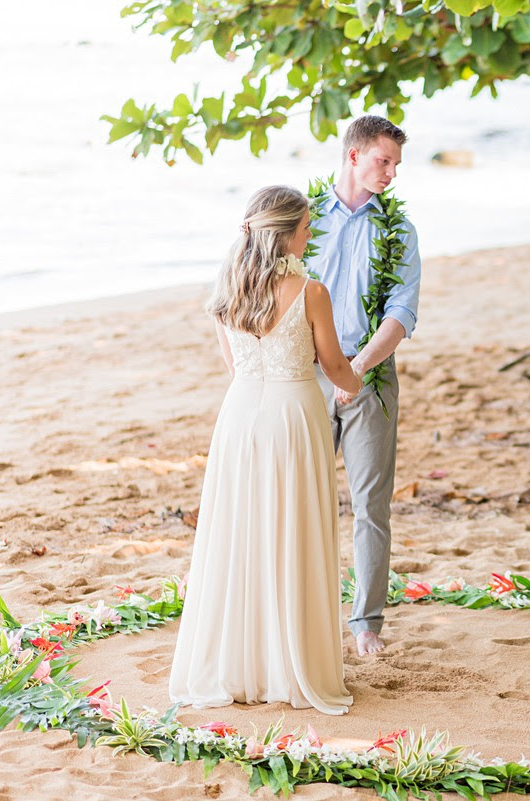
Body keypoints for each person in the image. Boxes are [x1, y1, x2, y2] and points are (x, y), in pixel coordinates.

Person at [170, 185, 362, 715]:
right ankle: (289, 666)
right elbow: (335, 368)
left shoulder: (226, 290)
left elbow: (234, 367)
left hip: (239, 419)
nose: (310, 235)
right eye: (305, 228)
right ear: (286, 234)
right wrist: (358, 378)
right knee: (292, 531)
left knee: (242, 534)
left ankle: (242, 667)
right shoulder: (311, 291)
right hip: (292, 417)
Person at [306, 115, 422, 656]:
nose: (392, 173)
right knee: (300, 500)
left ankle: (366, 624)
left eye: (396, 164)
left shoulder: (399, 232)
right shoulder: (303, 220)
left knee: (371, 506)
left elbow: (401, 314)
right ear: (353, 155)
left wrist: (357, 372)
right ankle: (300, 610)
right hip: (303, 377)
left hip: (370, 379)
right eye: (384, 160)